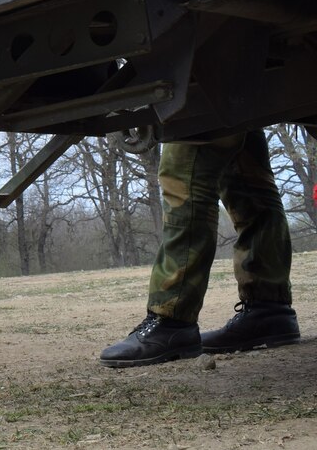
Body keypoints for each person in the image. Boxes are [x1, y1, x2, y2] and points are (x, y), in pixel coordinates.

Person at [99, 131, 298, 367]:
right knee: (245, 175)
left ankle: (172, 320)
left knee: (184, 174)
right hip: (255, 93)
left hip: (212, 94)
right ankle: (269, 310)